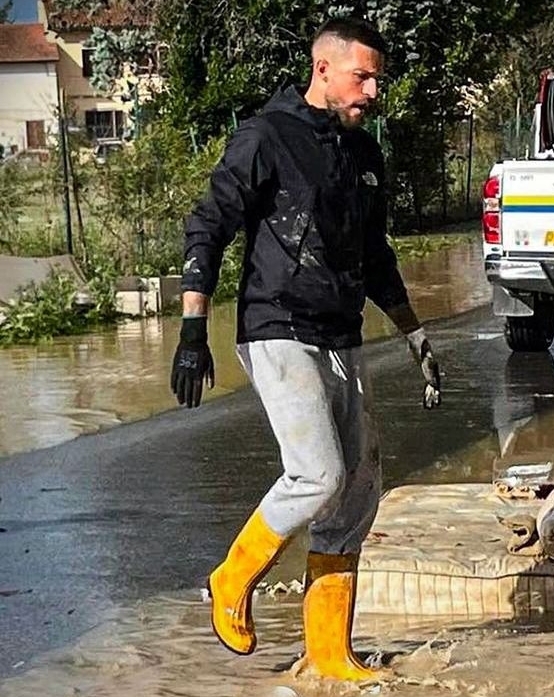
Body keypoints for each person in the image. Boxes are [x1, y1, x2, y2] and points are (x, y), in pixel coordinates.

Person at [169, 16, 442, 683]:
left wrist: (416, 336)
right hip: (277, 325)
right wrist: (191, 328)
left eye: (378, 76)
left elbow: (376, 259)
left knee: (357, 491)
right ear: (324, 69)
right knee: (317, 473)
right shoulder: (266, 137)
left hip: (341, 333)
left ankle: (328, 655)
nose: (375, 89)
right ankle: (232, 578)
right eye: (363, 75)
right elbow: (208, 226)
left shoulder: (362, 156)